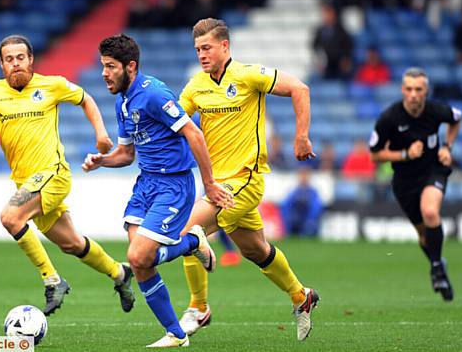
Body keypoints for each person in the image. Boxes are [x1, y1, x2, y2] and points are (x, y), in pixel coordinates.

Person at [0, 35, 135, 316]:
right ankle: (119, 273)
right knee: (72, 244)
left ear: (30, 60)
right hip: (27, 182)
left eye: (21, 58)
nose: (16, 64)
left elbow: (86, 99)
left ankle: (52, 280)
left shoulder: (51, 85)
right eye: (9, 59)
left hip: (52, 174)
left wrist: (102, 135)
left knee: (10, 217)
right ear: (1, 64)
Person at [83, 34, 234, 347]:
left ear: (131, 66)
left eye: (110, 67)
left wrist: (209, 184)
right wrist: (102, 161)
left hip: (173, 184)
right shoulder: (122, 102)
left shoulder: (153, 94)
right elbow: (126, 154)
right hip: (146, 183)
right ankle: (177, 335)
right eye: (103, 66)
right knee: (141, 262)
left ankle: (193, 240)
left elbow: (194, 133)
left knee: (137, 255)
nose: (104, 73)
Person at [177, 18, 319, 341]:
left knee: (186, 231)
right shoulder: (195, 86)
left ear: (225, 46)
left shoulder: (248, 75)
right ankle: (302, 296)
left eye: (207, 48)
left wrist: (301, 137)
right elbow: (178, 123)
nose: (201, 54)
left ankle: (199, 308)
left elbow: (300, 88)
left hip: (245, 180)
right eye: (198, 49)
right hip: (217, 183)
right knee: (256, 250)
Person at [369, 67, 462, 302]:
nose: (413, 94)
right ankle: (437, 263)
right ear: (402, 90)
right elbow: (375, 154)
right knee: (424, 236)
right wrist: (404, 155)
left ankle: (437, 269)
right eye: (409, 89)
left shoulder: (435, 110)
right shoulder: (389, 118)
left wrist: (447, 148)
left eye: (418, 89)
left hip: (433, 170)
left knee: (430, 212)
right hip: (404, 180)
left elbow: (456, 119)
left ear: (426, 91)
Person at [280, 166, 323, 237]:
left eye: (306, 175)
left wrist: (311, 218)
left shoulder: (313, 192)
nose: (304, 178)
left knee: (311, 224)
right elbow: (286, 206)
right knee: (290, 220)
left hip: (308, 219)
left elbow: (316, 207)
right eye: (302, 175)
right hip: (296, 219)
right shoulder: (294, 191)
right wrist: (286, 217)